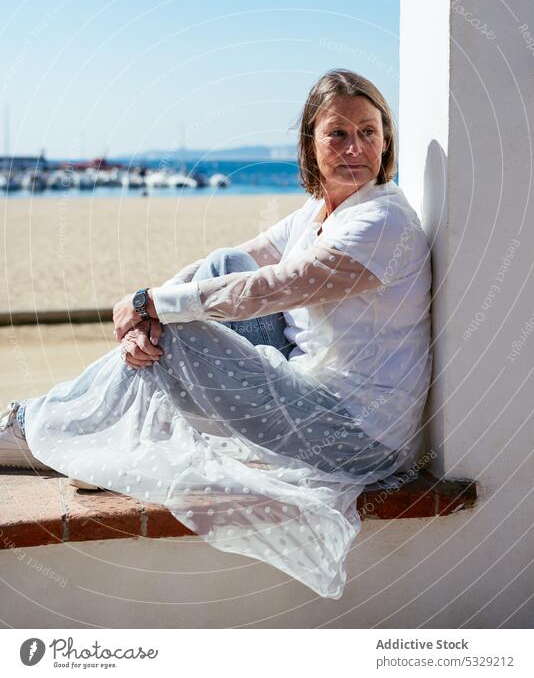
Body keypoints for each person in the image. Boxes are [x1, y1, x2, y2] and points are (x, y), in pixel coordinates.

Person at [0, 69, 432, 599]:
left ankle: (33, 426)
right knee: (218, 267)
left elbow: (275, 287)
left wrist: (150, 306)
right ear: (310, 143)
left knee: (182, 330)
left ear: (387, 138)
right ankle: (57, 422)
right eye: (337, 133)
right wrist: (149, 308)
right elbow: (239, 261)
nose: (354, 147)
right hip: (308, 391)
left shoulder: (384, 220)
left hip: (353, 438)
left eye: (368, 131)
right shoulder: (318, 213)